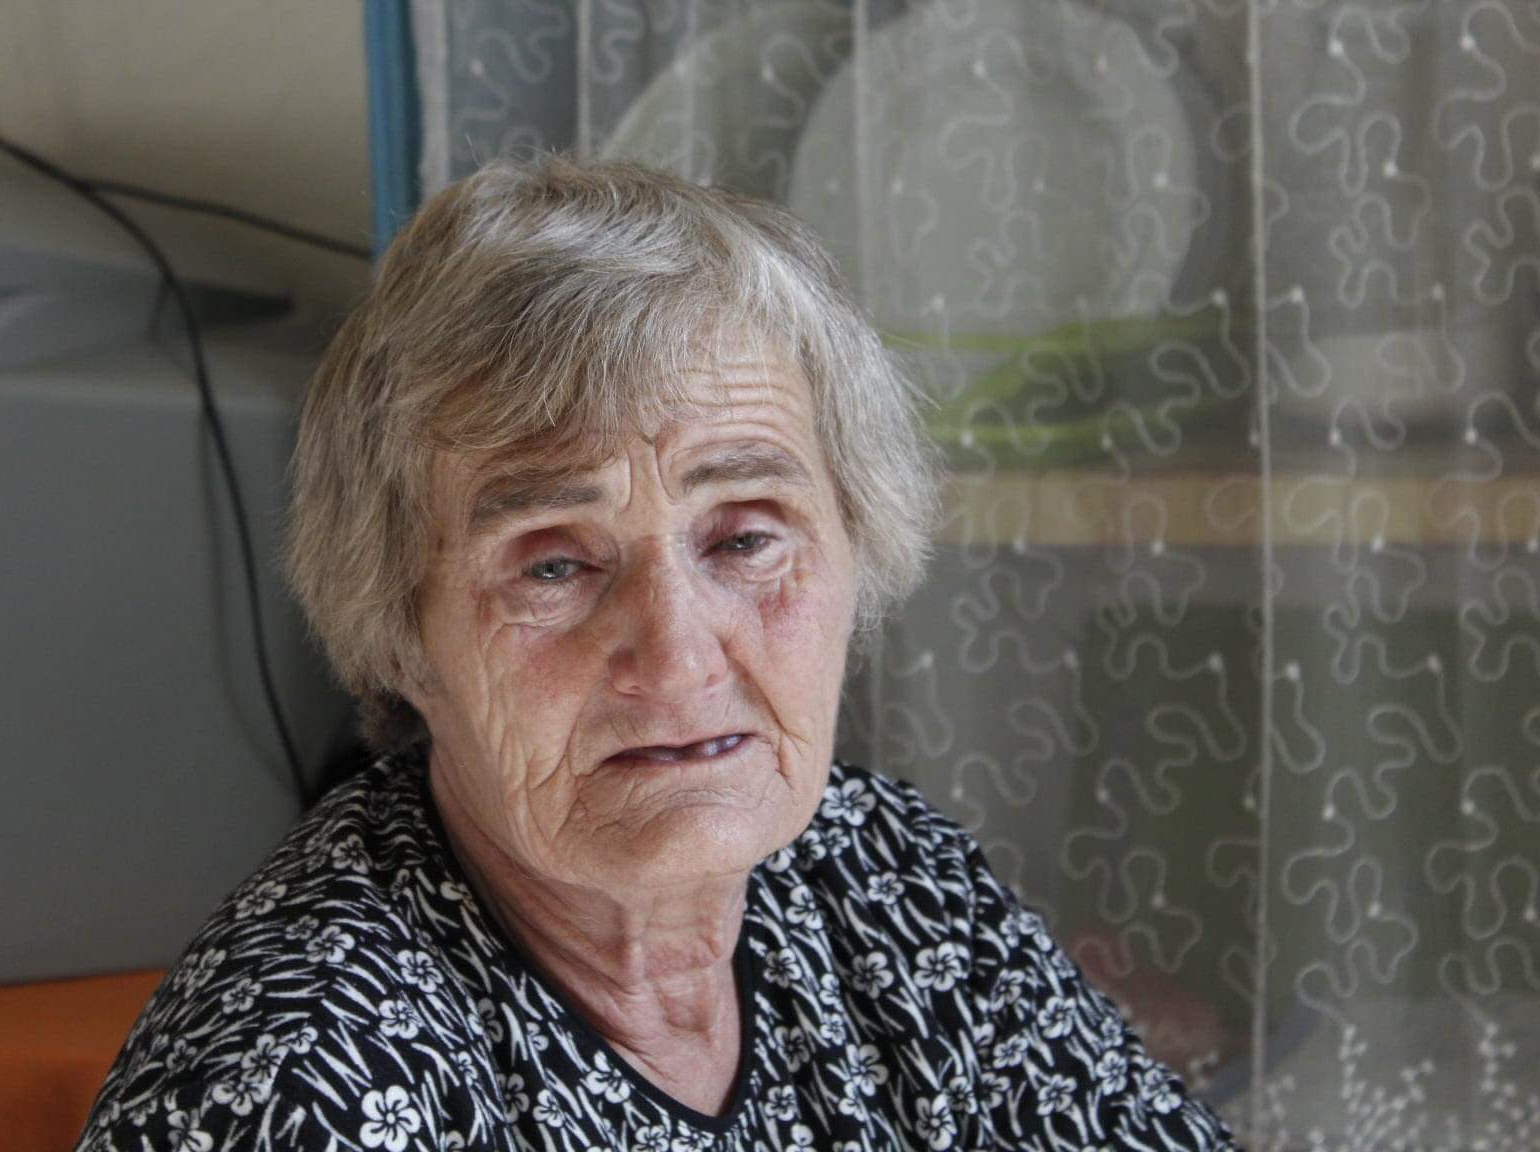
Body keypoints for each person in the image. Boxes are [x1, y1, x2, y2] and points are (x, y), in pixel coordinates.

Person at [74, 154, 1238, 1152]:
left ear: (859, 546)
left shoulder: (885, 874)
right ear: (401, 631)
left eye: (745, 538)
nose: (679, 661)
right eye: (553, 564)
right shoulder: (299, 1086)